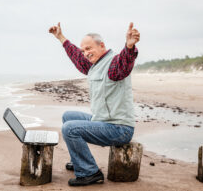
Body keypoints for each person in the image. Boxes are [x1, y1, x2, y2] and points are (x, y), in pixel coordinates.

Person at [48, 22, 140, 186]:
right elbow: (76, 55)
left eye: (89, 48)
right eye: (84, 50)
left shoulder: (113, 63)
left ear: (102, 45)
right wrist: (61, 37)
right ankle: (79, 160)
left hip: (119, 129)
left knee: (70, 129)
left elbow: (124, 63)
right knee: (68, 116)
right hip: (103, 121)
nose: (85, 53)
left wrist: (129, 46)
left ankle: (89, 172)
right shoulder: (95, 65)